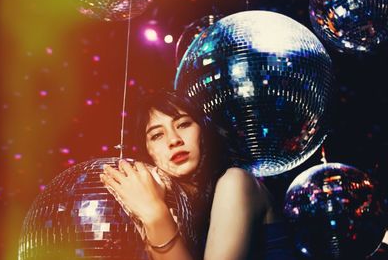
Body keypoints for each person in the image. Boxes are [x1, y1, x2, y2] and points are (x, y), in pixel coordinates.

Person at [100, 91, 295, 260]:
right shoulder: (176, 211)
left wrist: (155, 215)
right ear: (146, 152)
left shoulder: (235, 182)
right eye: (157, 135)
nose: (174, 140)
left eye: (183, 124)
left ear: (204, 132)